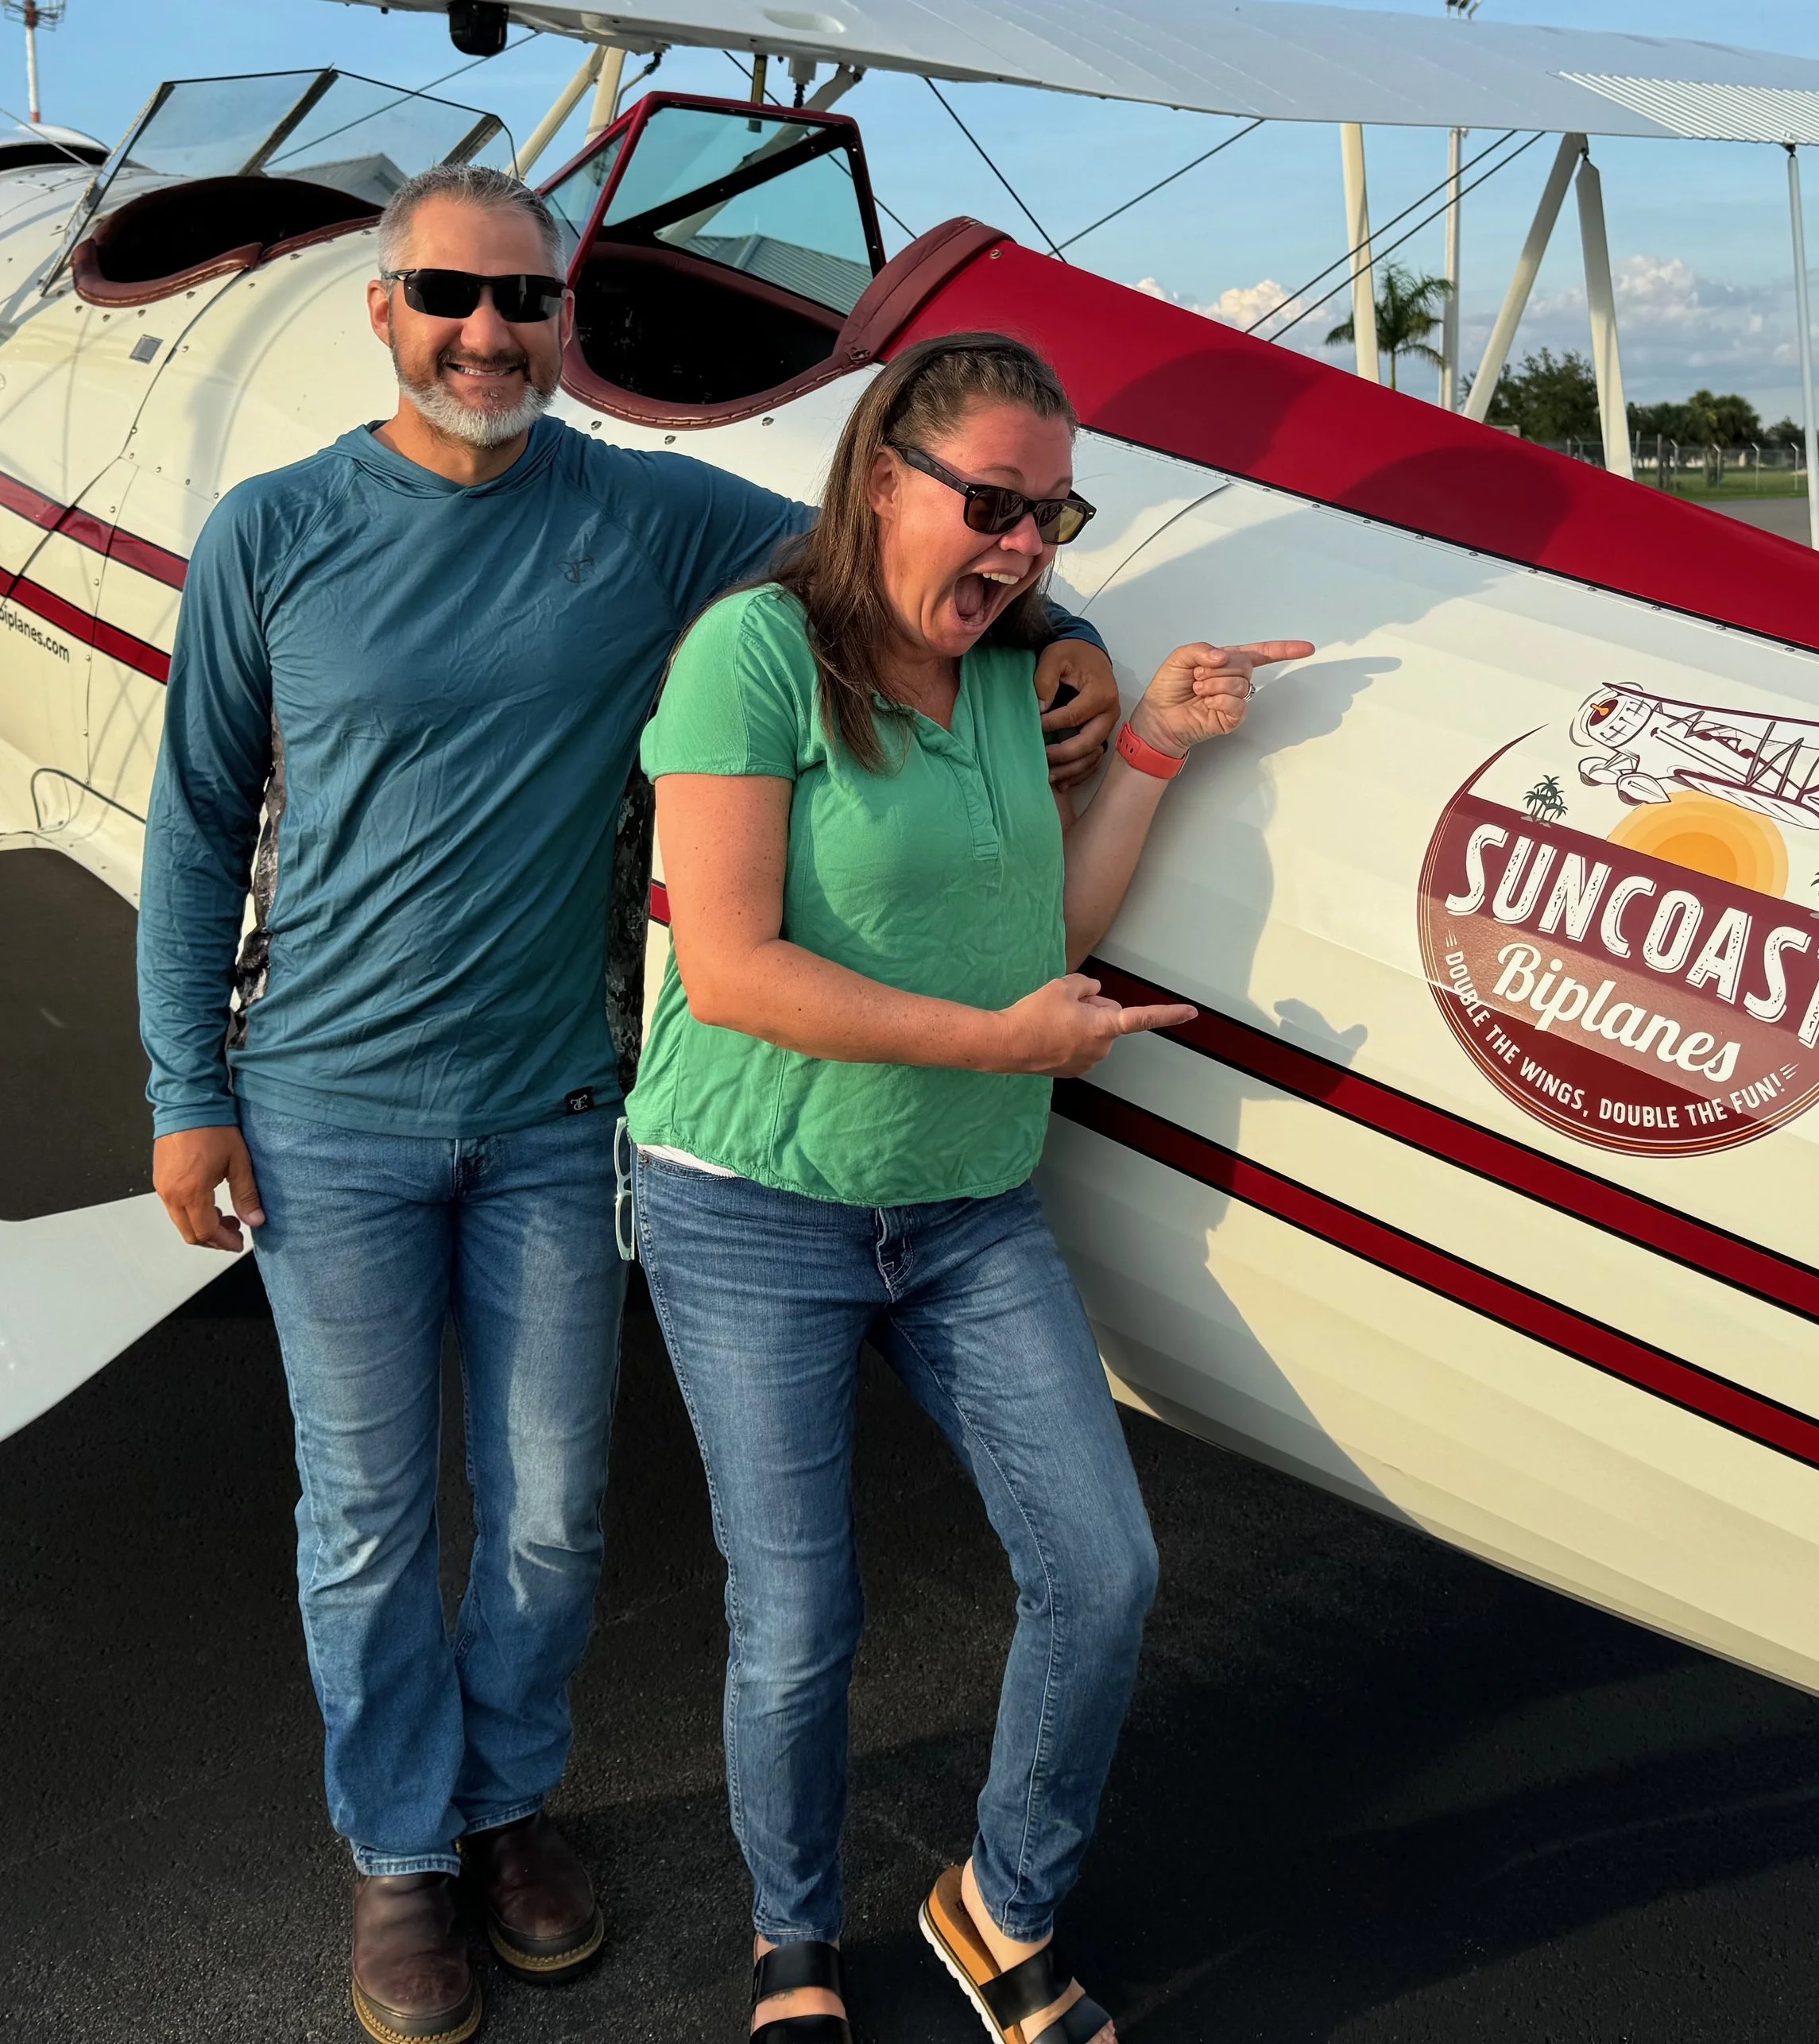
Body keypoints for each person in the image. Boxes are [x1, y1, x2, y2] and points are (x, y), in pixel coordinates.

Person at [136, 167, 1119, 2044]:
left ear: (562, 325)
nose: (488, 333)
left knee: (551, 1514)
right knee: (365, 1512)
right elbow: (197, 830)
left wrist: (1056, 632)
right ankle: (400, 1851)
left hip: (551, 1107)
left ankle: (506, 1803)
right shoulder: (271, 531)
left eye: (527, 301)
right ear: (384, 309)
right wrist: (190, 1092)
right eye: (451, 294)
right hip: (324, 1102)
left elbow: (890, 544)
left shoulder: (648, 516)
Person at [627, 331, 1310, 2044]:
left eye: (1052, 515)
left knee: (1103, 1569)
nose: (1020, 548)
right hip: (752, 1201)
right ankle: (791, 1941)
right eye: (992, 504)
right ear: (882, 480)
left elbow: (1043, 932)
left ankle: (1001, 1902)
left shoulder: (1013, 676)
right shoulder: (752, 655)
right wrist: (1002, 1045)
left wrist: (1152, 743)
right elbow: (729, 970)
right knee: (797, 1617)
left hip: (964, 1204)